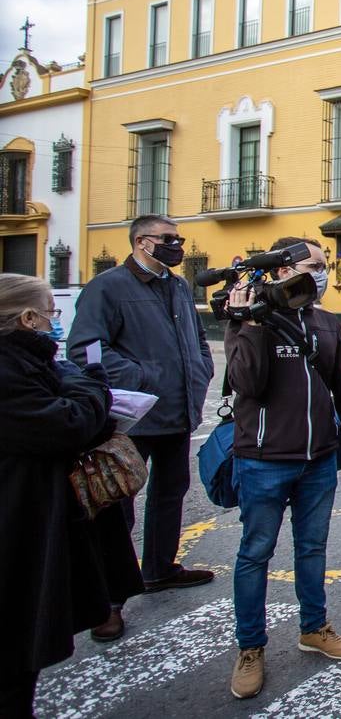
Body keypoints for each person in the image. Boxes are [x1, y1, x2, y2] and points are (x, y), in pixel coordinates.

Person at [221, 236, 341, 700]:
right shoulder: (251, 319)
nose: (324, 272)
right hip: (263, 460)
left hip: (318, 459)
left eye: (326, 264)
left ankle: (315, 626)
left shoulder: (327, 323)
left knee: (312, 548)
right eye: (314, 264)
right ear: (280, 269)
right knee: (255, 553)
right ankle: (250, 647)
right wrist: (247, 322)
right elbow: (247, 382)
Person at [0, 274, 142, 717]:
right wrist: (91, 388)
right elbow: (69, 422)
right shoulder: (12, 372)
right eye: (50, 312)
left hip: (33, 513)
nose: (54, 322)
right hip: (16, 522)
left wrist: (81, 391)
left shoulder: (33, 363)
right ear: (27, 318)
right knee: (15, 638)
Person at [67, 215, 216, 618]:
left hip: (178, 411)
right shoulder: (108, 286)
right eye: (168, 238)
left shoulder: (179, 286)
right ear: (141, 242)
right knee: (118, 504)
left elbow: (197, 338)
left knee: (171, 493)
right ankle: (110, 600)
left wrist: (201, 368)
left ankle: (160, 569)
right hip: (133, 417)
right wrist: (141, 378)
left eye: (179, 238)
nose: (177, 245)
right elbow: (86, 349)